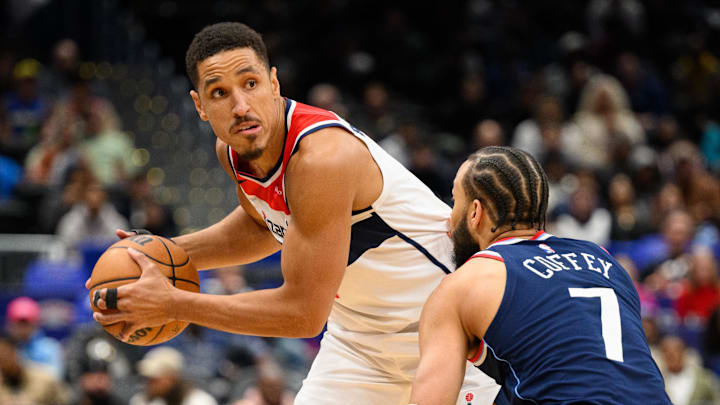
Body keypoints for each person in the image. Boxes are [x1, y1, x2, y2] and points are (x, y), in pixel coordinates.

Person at [89, 22, 498, 404]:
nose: (240, 106)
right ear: (199, 106)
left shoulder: (323, 158)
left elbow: (303, 314)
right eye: (219, 93)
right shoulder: (233, 151)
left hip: (448, 336)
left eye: (250, 84)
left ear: (274, 83)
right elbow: (262, 225)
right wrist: (158, 257)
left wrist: (175, 302)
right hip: (358, 343)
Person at [409, 146, 671, 404]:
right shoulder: (605, 260)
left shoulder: (466, 282)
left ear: (475, 213)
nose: (448, 218)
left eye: (455, 202)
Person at [129, 347, 217, 405]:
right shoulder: (140, 401)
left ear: (171, 378)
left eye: (154, 379)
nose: (149, 383)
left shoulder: (200, 401)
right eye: (147, 378)